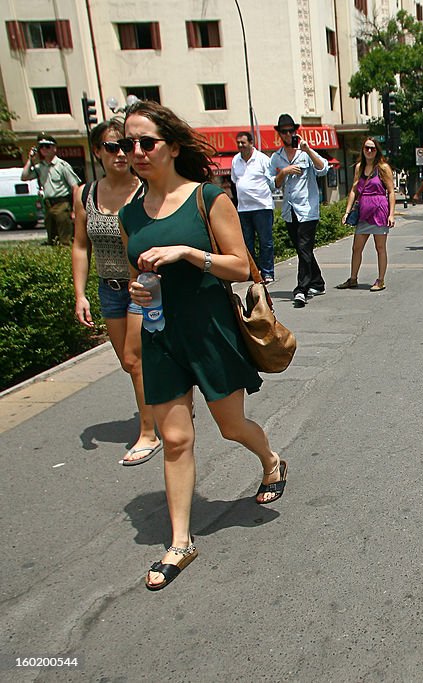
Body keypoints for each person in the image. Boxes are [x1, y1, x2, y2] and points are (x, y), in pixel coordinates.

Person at [119, 101, 287, 591]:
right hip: (161, 335)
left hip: (210, 331)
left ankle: (271, 461)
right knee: (175, 439)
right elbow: (138, 273)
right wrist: (138, 289)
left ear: (171, 146)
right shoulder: (132, 212)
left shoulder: (207, 198)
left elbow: (241, 266)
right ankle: (180, 542)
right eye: (128, 144)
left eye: (145, 142)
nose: (135, 151)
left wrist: (189, 253)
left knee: (231, 427)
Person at [71, 117, 158, 466]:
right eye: (112, 147)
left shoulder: (146, 188)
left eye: (126, 146)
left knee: (136, 361)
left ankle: (149, 432)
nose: (122, 154)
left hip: (143, 287)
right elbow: (80, 246)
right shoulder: (85, 194)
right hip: (109, 289)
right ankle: (171, 400)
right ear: (97, 151)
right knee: (128, 362)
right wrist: (80, 294)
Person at [269, 113, 329, 307]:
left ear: (296, 131)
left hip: (308, 209)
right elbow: (272, 184)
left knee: (304, 247)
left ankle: (301, 289)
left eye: (291, 131)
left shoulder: (305, 153)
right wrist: (284, 172)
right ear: (279, 133)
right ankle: (317, 282)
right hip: (290, 210)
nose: (288, 135)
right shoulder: (276, 158)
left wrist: (308, 149)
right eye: (284, 132)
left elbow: (324, 168)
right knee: (302, 249)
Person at [336, 138, 395, 292]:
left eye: (372, 149)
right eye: (367, 148)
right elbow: (354, 190)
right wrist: (347, 212)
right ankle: (353, 278)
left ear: (377, 150)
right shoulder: (359, 168)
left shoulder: (383, 167)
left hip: (379, 211)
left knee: (380, 247)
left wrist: (391, 214)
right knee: (357, 247)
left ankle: (380, 280)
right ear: (362, 149)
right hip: (364, 212)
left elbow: (390, 191)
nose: (369, 151)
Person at [231, 131, 276, 283]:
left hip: (262, 207)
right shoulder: (235, 160)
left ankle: (267, 272)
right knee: (246, 243)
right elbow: (234, 181)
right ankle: (252, 271)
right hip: (243, 209)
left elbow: (272, 183)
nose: (240, 146)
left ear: (251, 143)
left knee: (265, 242)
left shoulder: (263, 159)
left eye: (243, 143)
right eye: (238, 143)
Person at [22, 132, 81, 245]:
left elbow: (75, 188)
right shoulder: (40, 167)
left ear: (54, 148)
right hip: (48, 205)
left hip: (62, 204)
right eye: (41, 147)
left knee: (65, 240)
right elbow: (24, 177)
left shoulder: (62, 166)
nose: (44, 149)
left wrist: (74, 210)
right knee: (52, 240)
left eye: (47, 146)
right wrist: (30, 159)